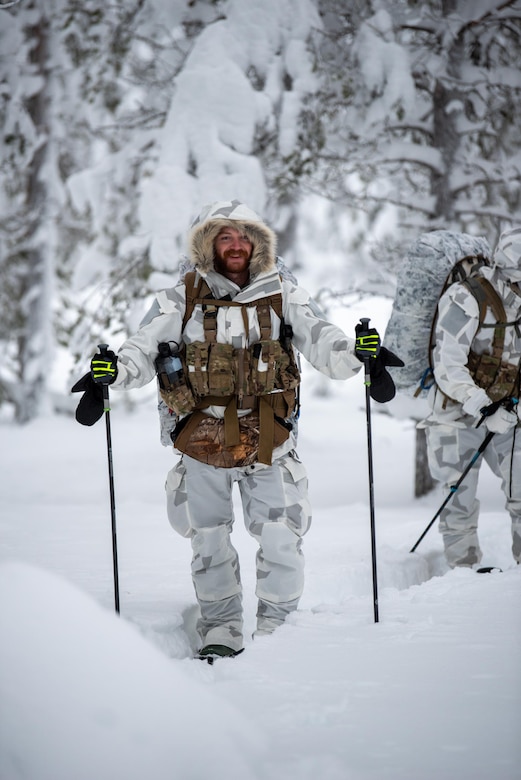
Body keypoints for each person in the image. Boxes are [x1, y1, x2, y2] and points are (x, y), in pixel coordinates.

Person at [87, 200, 388, 661]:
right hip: (200, 438)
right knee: (208, 539)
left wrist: (357, 352)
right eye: (224, 236)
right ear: (208, 243)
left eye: (244, 236)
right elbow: (141, 349)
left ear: (258, 243)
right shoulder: (181, 295)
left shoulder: (283, 291)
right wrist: (114, 370)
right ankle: (221, 630)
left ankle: (280, 631)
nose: (236, 245)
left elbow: (323, 340)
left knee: (281, 534)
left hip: (270, 435)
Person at [419, 227, 521, 570]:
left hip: (509, 413)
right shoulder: (468, 298)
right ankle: (464, 574)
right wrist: (482, 406)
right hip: (456, 415)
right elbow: (447, 364)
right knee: (458, 500)